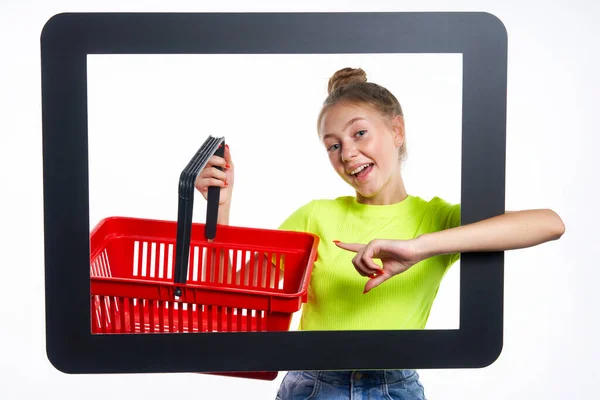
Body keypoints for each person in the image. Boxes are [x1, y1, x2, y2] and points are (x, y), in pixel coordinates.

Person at [194, 67, 565, 399]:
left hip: (396, 388)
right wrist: (220, 208)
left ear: (396, 130)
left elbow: (550, 223)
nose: (348, 153)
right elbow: (228, 300)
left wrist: (420, 248)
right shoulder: (315, 217)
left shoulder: (436, 217)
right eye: (334, 145)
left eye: (359, 133)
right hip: (313, 387)